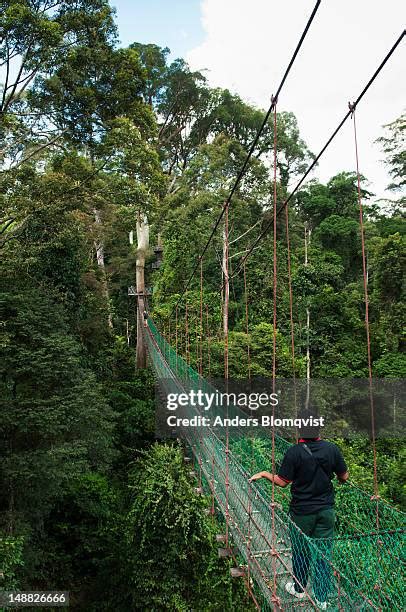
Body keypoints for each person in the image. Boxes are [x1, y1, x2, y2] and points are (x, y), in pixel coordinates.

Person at [249, 413, 348, 610]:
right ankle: (322, 599)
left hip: (302, 512)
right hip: (326, 511)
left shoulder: (294, 452)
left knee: (301, 552)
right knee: (323, 555)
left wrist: (264, 474)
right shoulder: (331, 449)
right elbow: (344, 476)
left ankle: (299, 588)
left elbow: (283, 482)